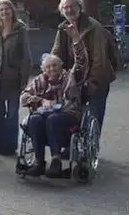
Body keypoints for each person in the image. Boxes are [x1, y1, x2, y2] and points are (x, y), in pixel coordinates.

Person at [21, 39, 89, 177]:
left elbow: (82, 63)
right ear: (43, 69)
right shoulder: (39, 80)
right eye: (48, 67)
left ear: (61, 66)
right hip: (45, 115)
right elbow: (24, 97)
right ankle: (39, 162)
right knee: (34, 119)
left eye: (54, 66)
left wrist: (76, 40)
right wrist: (41, 100)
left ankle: (56, 161)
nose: (51, 69)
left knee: (53, 119)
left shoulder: (70, 77)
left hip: (68, 113)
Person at [52, 0, 115, 135]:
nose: (69, 10)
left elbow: (100, 58)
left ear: (79, 7)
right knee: (70, 113)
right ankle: (70, 145)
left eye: (72, 6)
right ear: (62, 11)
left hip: (97, 77)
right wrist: (52, 72)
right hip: (74, 77)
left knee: (94, 115)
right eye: (66, 7)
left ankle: (92, 148)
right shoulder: (63, 29)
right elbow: (56, 54)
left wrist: (93, 81)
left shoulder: (93, 27)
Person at [0, 0, 32, 156]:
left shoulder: (21, 29)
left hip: (13, 78)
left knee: (12, 115)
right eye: (1, 9)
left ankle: (10, 146)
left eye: (7, 9)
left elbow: (26, 56)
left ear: (12, 11)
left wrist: (24, 79)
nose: (4, 12)